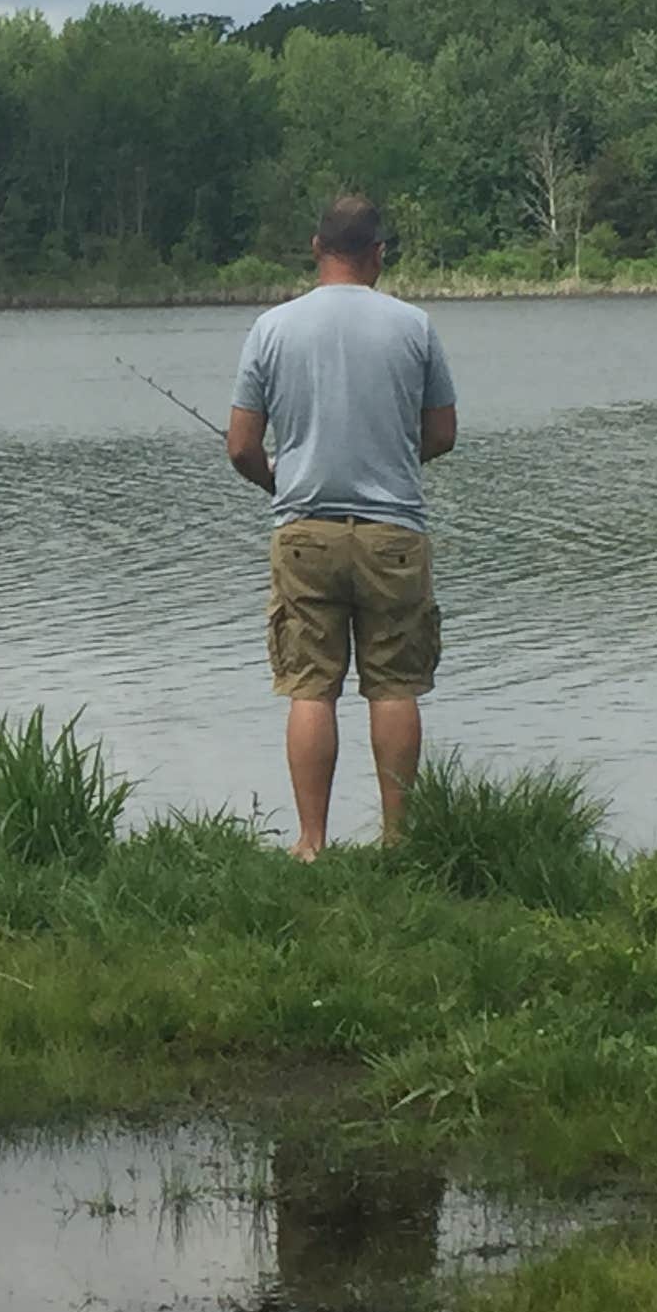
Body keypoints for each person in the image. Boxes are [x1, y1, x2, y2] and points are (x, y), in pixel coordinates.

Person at [225, 195, 459, 859]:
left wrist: (280, 481)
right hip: (393, 536)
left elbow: (241, 446)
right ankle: (397, 842)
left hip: (305, 533)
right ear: (378, 254)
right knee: (395, 687)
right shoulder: (414, 326)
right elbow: (442, 432)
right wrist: (392, 459)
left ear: (316, 248)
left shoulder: (271, 328)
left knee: (310, 688)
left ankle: (311, 844)